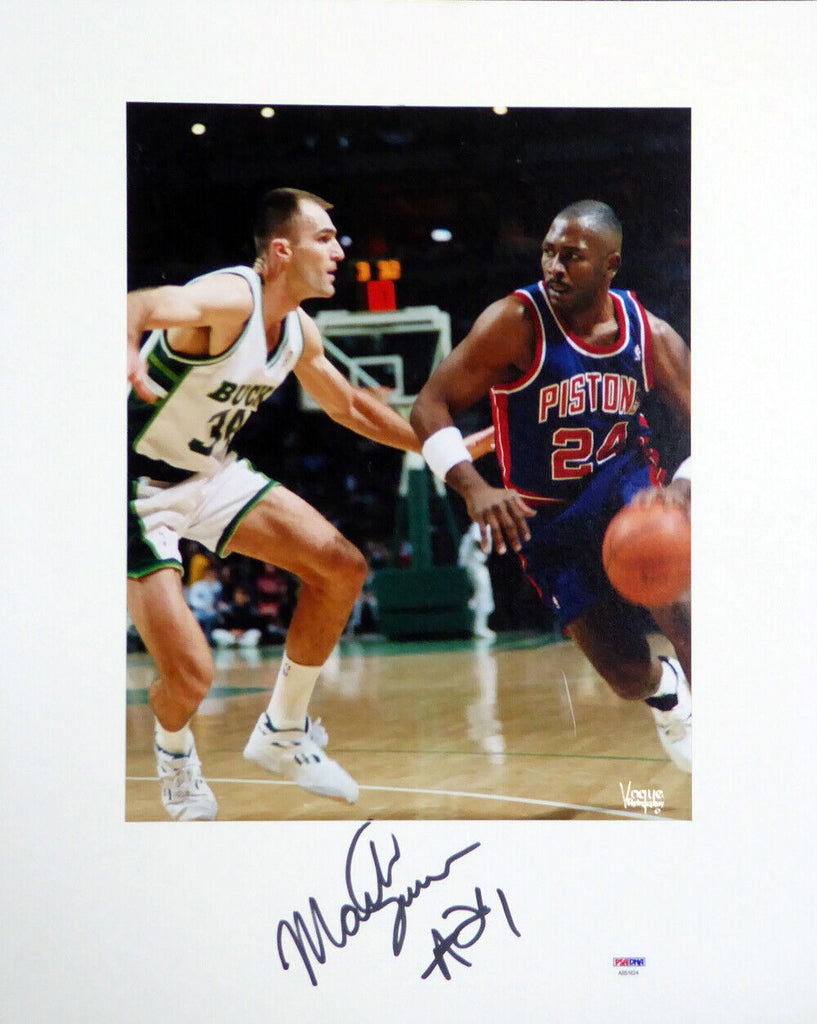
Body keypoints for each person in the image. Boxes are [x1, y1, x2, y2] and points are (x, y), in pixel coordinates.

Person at [127, 187, 487, 820]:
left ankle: (283, 731)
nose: (339, 251)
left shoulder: (297, 330)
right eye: (324, 238)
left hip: (208, 474)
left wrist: (442, 448)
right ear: (281, 251)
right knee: (191, 677)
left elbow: (349, 407)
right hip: (132, 488)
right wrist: (129, 341)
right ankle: (175, 753)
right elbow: (143, 303)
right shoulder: (233, 298)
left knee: (342, 567)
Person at [410, 199, 692, 772]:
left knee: (687, 617)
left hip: (625, 490)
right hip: (547, 520)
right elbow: (429, 406)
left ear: (610, 265)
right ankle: (668, 694)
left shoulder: (650, 334)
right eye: (548, 252)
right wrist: (473, 488)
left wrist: (683, 487)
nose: (555, 267)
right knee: (627, 676)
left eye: (572, 256)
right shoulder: (514, 323)